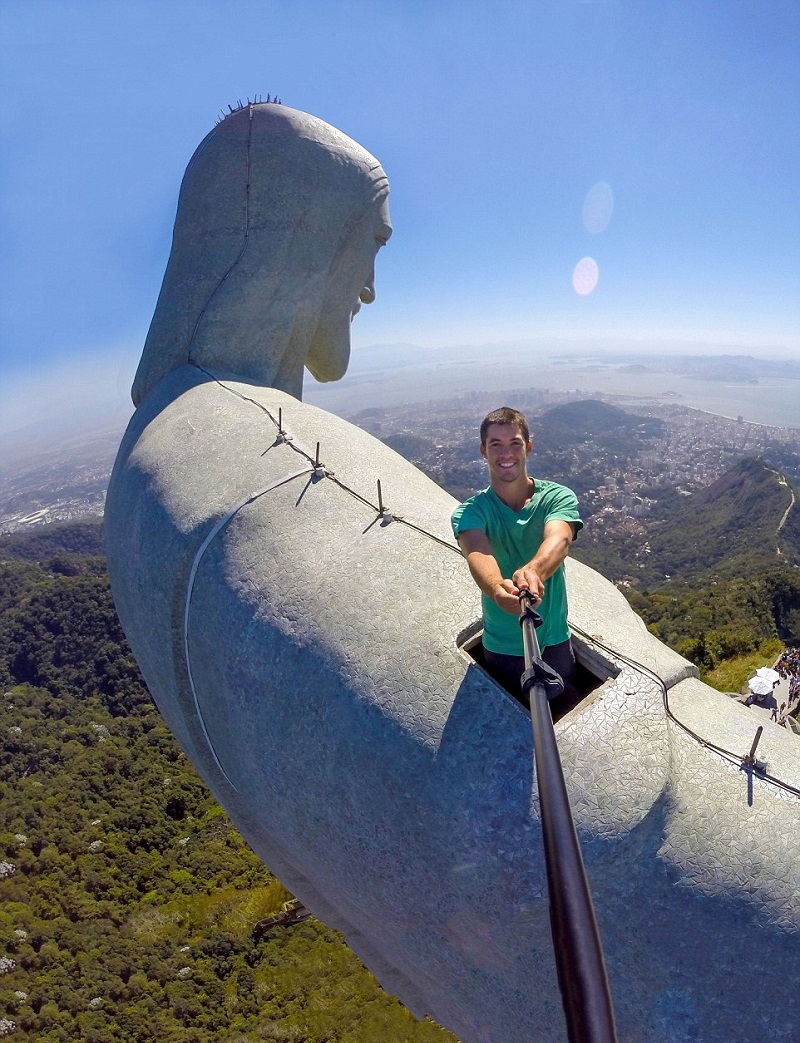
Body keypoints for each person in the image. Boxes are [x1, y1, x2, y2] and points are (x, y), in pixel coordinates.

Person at [451, 406, 582, 701]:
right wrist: (498, 589)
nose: (506, 453)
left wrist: (535, 570)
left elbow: (560, 537)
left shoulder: (557, 497)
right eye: (496, 445)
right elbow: (476, 551)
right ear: (483, 451)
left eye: (515, 443)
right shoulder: (471, 512)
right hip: (501, 646)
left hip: (554, 639)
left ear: (528, 448)